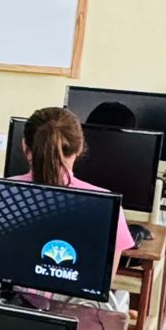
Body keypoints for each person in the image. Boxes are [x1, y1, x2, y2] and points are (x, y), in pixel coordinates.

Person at [13, 106, 135, 276]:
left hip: (4, 293)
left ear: (25, 146)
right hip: (73, 294)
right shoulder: (107, 204)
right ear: (79, 147)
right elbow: (106, 278)